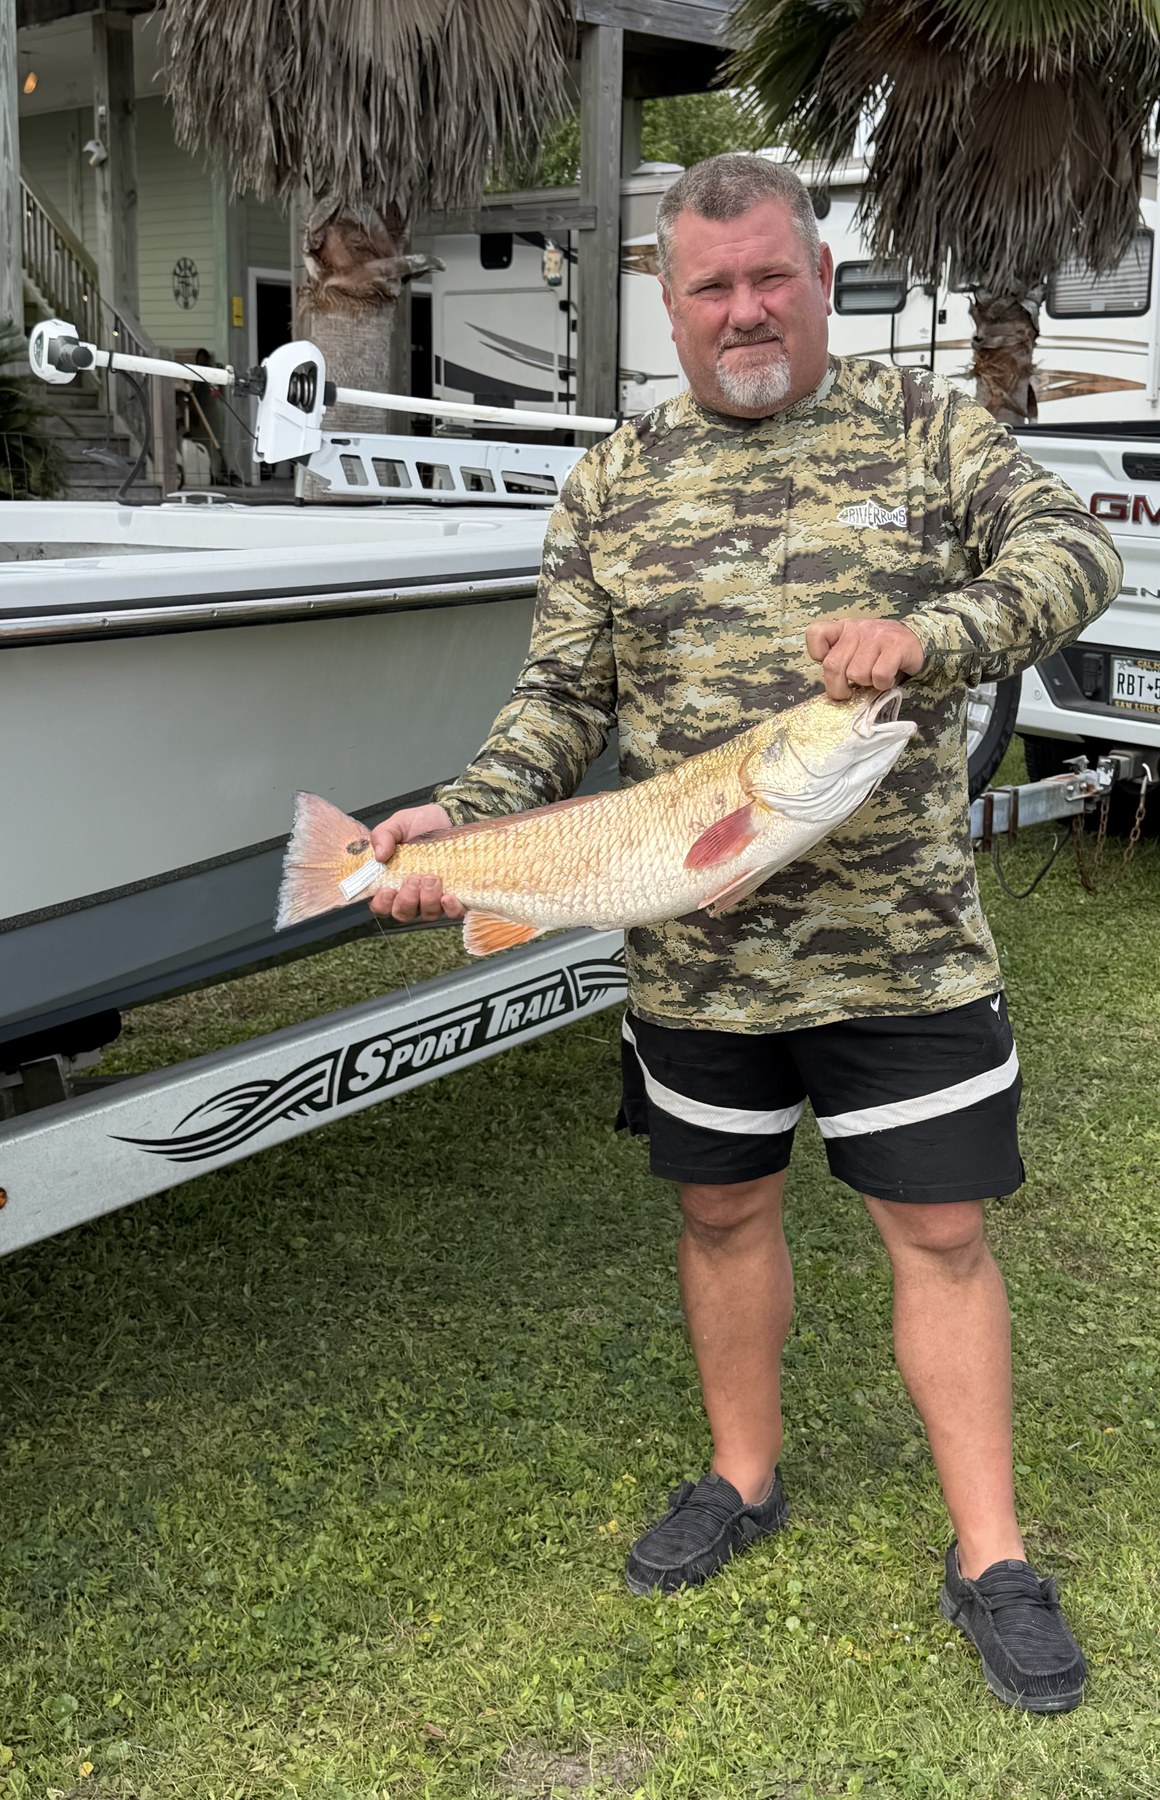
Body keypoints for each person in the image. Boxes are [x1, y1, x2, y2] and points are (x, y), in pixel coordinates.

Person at [367, 155, 1121, 1714]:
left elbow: (1073, 556)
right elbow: (563, 697)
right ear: (668, 302)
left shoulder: (925, 431)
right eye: (710, 288)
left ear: (820, 271)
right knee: (720, 1219)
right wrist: (472, 816)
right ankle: (743, 1473)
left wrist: (935, 634)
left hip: (900, 946)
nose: (745, 310)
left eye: (770, 276)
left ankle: (992, 1552)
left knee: (942, 1236)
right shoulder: (613, 478)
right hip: (691, 947)